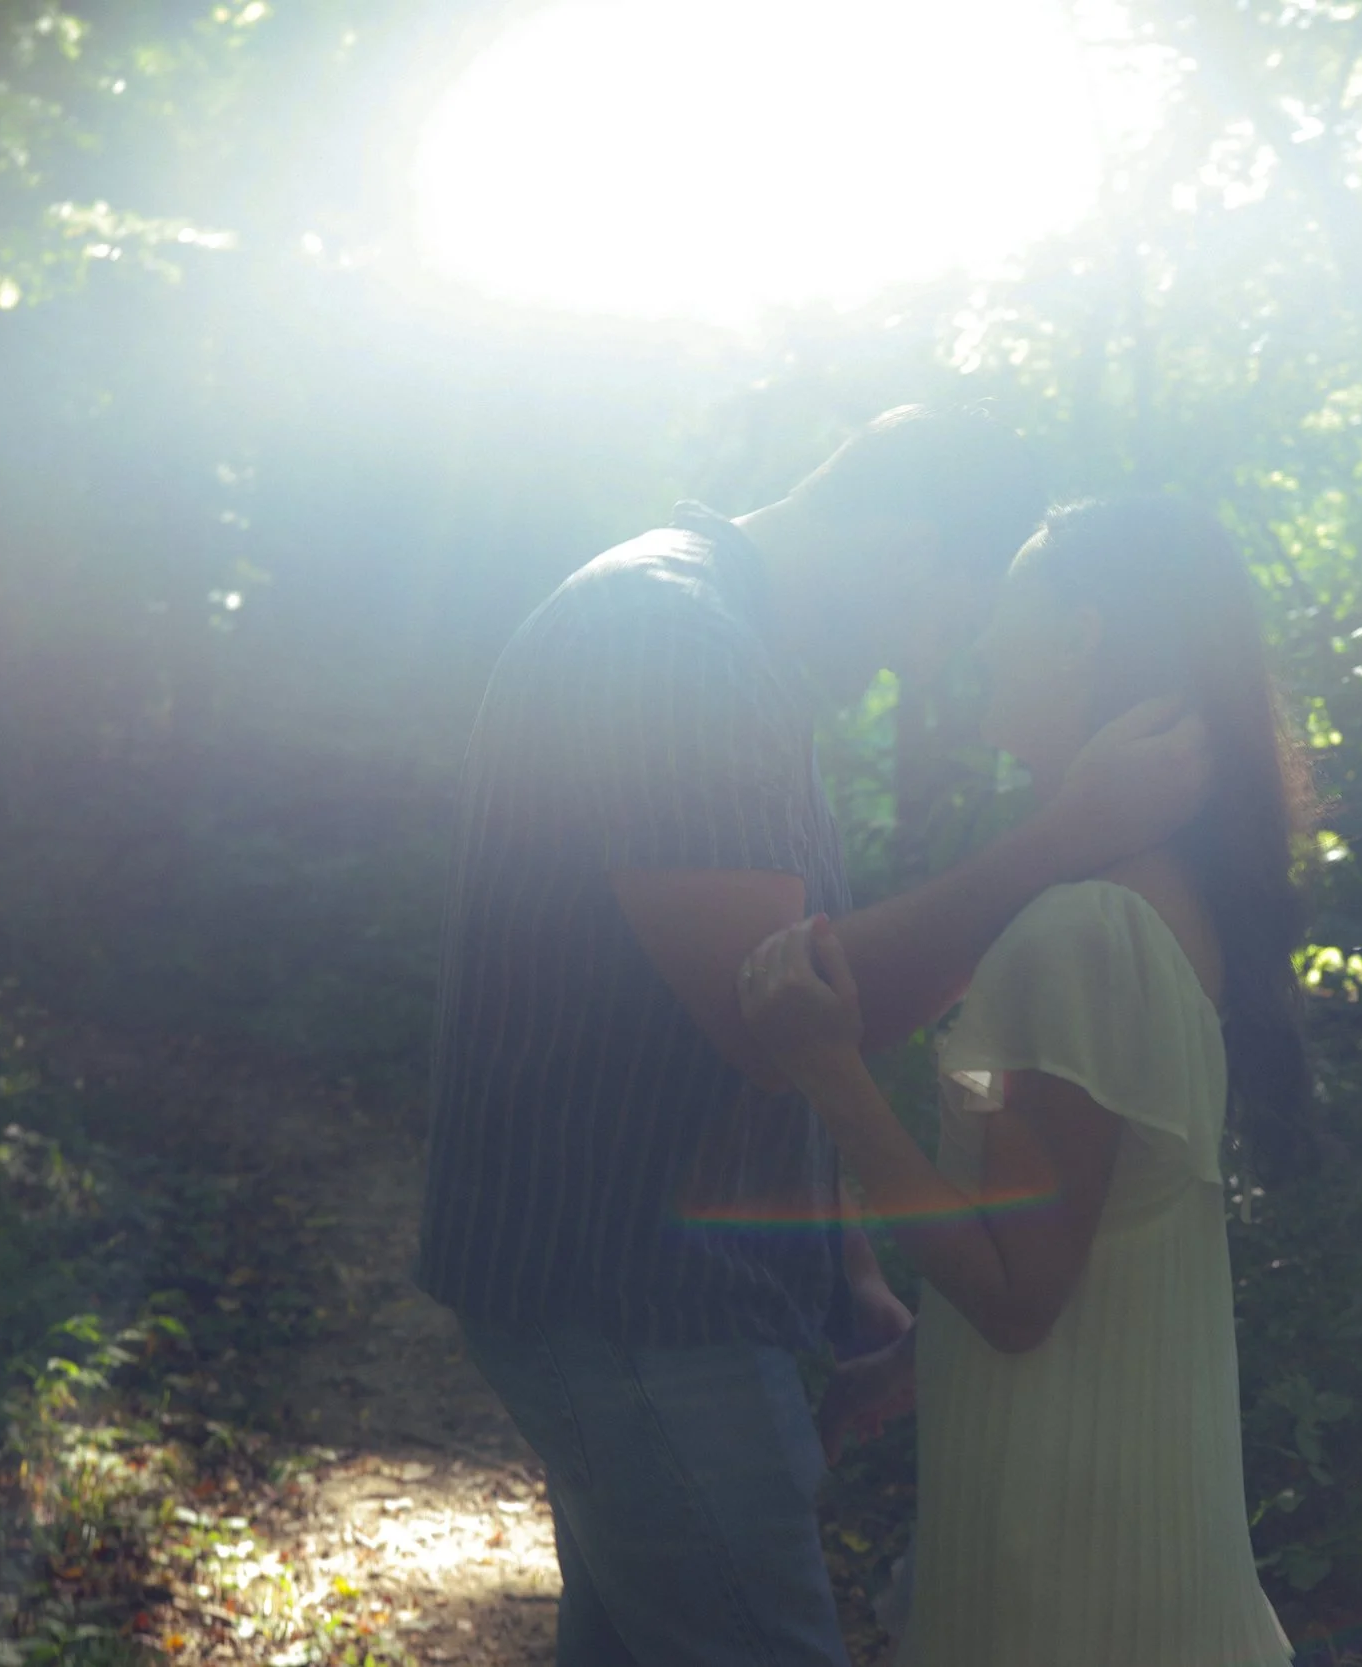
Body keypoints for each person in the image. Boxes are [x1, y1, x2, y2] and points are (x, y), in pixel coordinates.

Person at [414, 408, 1213, 1667]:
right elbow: (770, 1016)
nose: (921, 669)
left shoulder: (711, 645)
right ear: (911, 551)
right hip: (631, 1294)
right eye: (945, 626)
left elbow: (766, 1017)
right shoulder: (671, 641)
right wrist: (1063, 834)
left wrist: (843, 1264)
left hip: (655, 1287)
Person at [739, 497, 1308, 1667]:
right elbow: (1091, 1230)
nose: (985, 638)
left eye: (1008, 604)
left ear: (1078, 633)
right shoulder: (1164, 898)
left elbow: (1017, 1290)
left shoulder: (1085, 929)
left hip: (1069, 1550)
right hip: (1122, 1508)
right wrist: (909, 1361)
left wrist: (829, 1071)